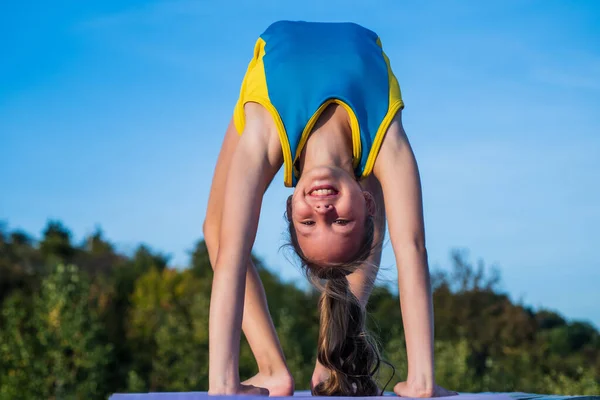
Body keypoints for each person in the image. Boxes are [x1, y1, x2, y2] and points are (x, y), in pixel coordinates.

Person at [203, 20, 456, 397]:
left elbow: (232, 254)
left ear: (290, 207)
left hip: (267, 82)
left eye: (309, 221)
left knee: (219, 231)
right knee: (368, 181)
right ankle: (312, 364)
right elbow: (412, 248)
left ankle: (278, 368)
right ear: (368, 202)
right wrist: (421, 380)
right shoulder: (384, 138)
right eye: (339, 219)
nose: (322, 206)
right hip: (361, 74)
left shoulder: (264, 136)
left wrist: (223, 385)